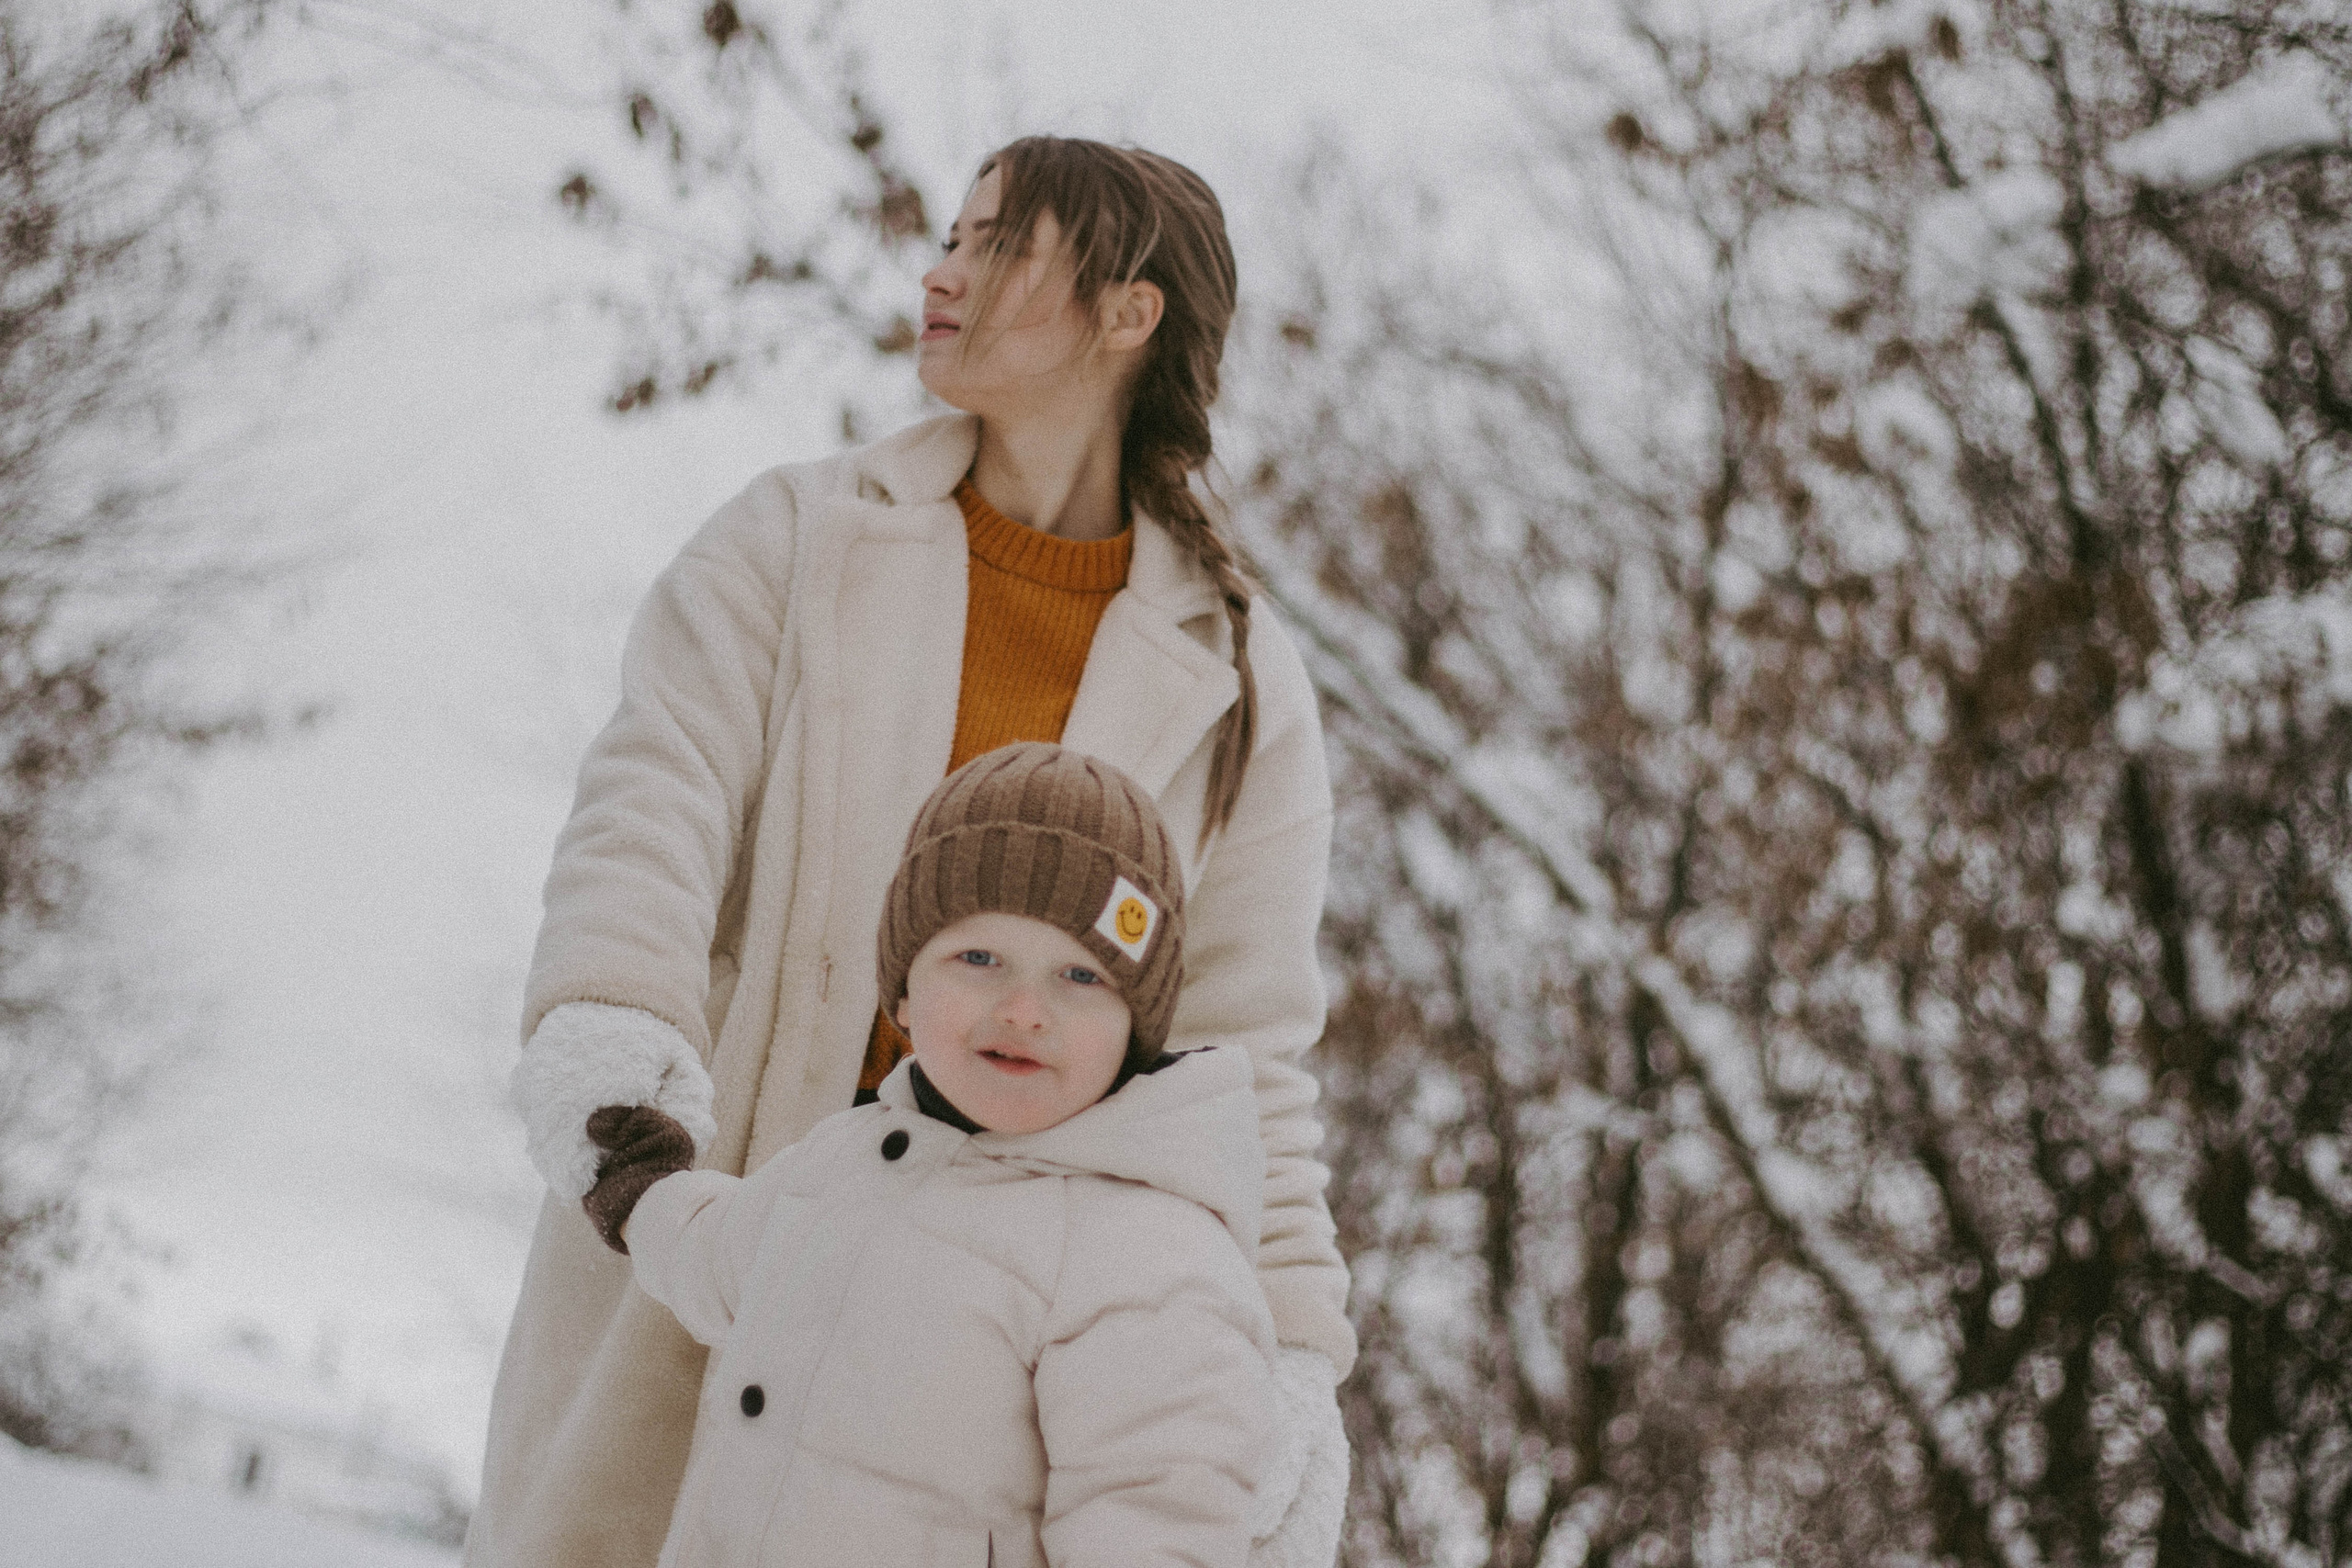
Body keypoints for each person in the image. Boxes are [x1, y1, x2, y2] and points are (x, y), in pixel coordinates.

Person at [469, 136, 1351, 1568]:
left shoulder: (1241, 681)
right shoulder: (795, 538)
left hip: (979, 1356)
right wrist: (614, 1038)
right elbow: (650, 802)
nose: (940, 273)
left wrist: (1294, 1339)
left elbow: (1248, 1052)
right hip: (696, 1215)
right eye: (949, 236)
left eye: (998, 245)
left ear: (1129, 312)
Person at [582, 743, 1281, 1568]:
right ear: (906, 991)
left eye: (1080, 976)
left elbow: (1160, 1519)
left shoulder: (1149, 1258)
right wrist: (643, 1194)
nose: (1024, 1009)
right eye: (979, 959)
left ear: (1137, 1026)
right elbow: (726, 1253)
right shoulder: (846, 1160)